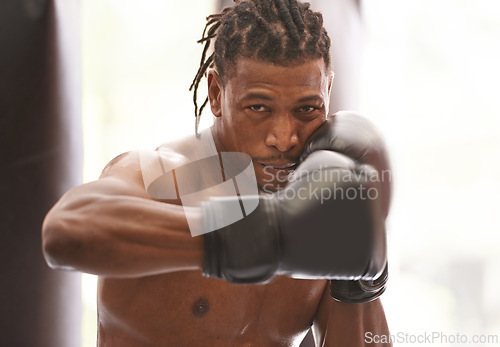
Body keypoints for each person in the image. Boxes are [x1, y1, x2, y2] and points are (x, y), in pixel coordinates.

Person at [42, 0, 392, 345]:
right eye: (258, 107)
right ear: (216, 92)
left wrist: (360, 285)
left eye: (307, 109)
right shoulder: (169, 176)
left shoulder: (320, 207)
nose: (285, 138)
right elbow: (66, 230)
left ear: (327, 92)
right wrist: (259, 238)